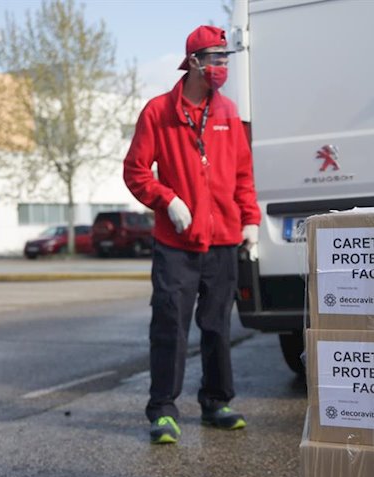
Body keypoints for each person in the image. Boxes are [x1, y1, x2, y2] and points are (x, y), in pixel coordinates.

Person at [123, 25, 261, 444]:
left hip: (223, 240)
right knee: (170, 325)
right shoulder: (158, 112)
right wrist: (167, 200)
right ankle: (164, 410)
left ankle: (216, 403)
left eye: (225, 59)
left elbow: (242, 174)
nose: (222, 66)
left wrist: (250, 220)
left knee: (217, 326)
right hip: (176, 244)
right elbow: (135, 171)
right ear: (195, 62)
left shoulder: (228, 113)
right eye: (215, 58)